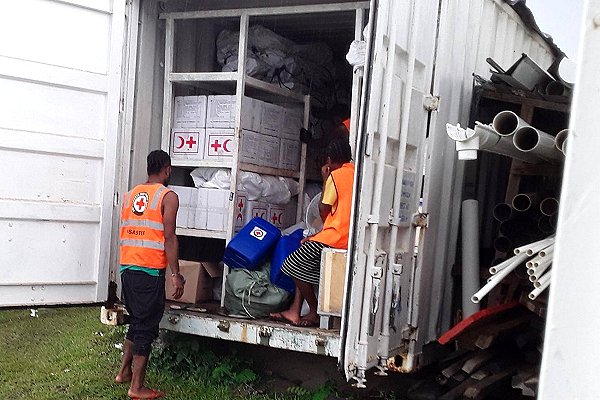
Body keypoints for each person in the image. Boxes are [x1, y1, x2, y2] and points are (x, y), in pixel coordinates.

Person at [115, 150, 185, 400]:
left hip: (127, 267)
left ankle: (122, 373)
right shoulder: (168, 197)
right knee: (146, 327)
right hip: (149, 270)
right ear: (167, 169)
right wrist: (176, 274)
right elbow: (169, 237)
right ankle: (136, 387)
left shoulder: (130, 195)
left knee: (136, 322)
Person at [271, 138, 355, 327]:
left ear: (329, 159)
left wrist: (326, 179)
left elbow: (323, 208)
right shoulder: (357, 173)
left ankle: (315, 310)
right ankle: (294, 311)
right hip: (348, 237)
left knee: (291, 264)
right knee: (304, 254)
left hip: (335, 237)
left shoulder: (336, 176)